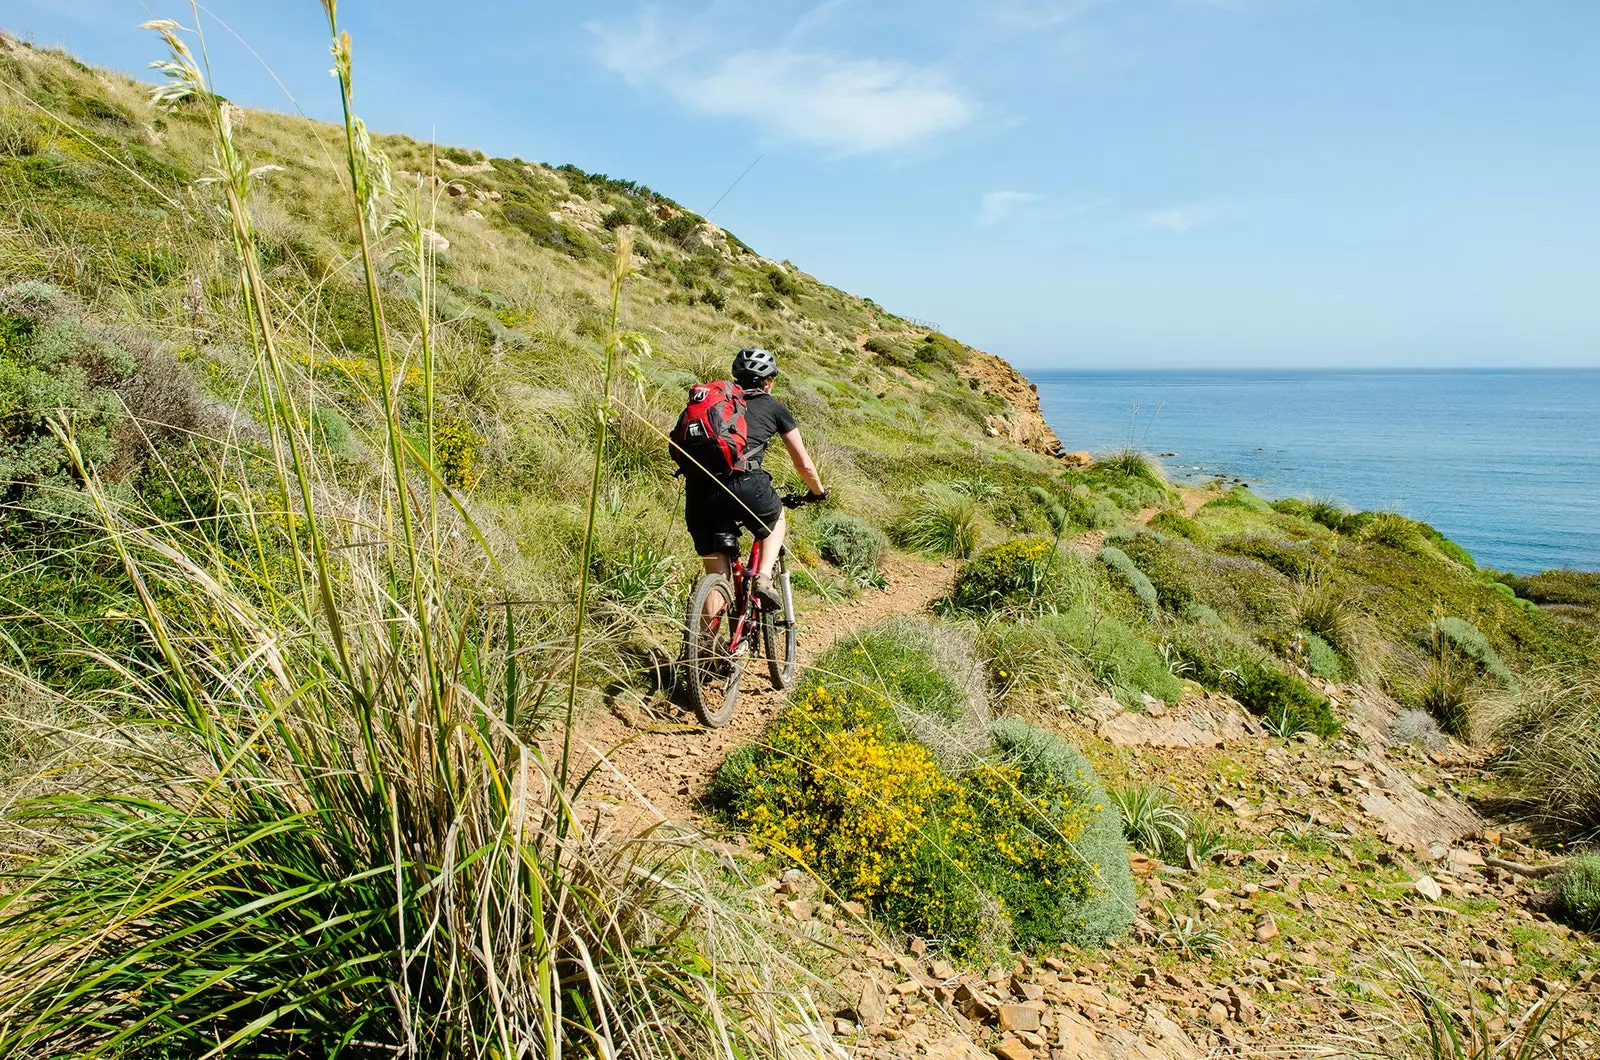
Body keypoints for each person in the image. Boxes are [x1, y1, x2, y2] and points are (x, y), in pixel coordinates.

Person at [683, 347, 825, 608]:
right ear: (768, 381)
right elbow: (803, 464)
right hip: (745, 485)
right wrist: (818, 492)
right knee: (775, 518)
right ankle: (763, 577)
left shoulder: (715, 402)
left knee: (717, 575)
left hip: (699, 491)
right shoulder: (775, 407)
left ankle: (702, 644)